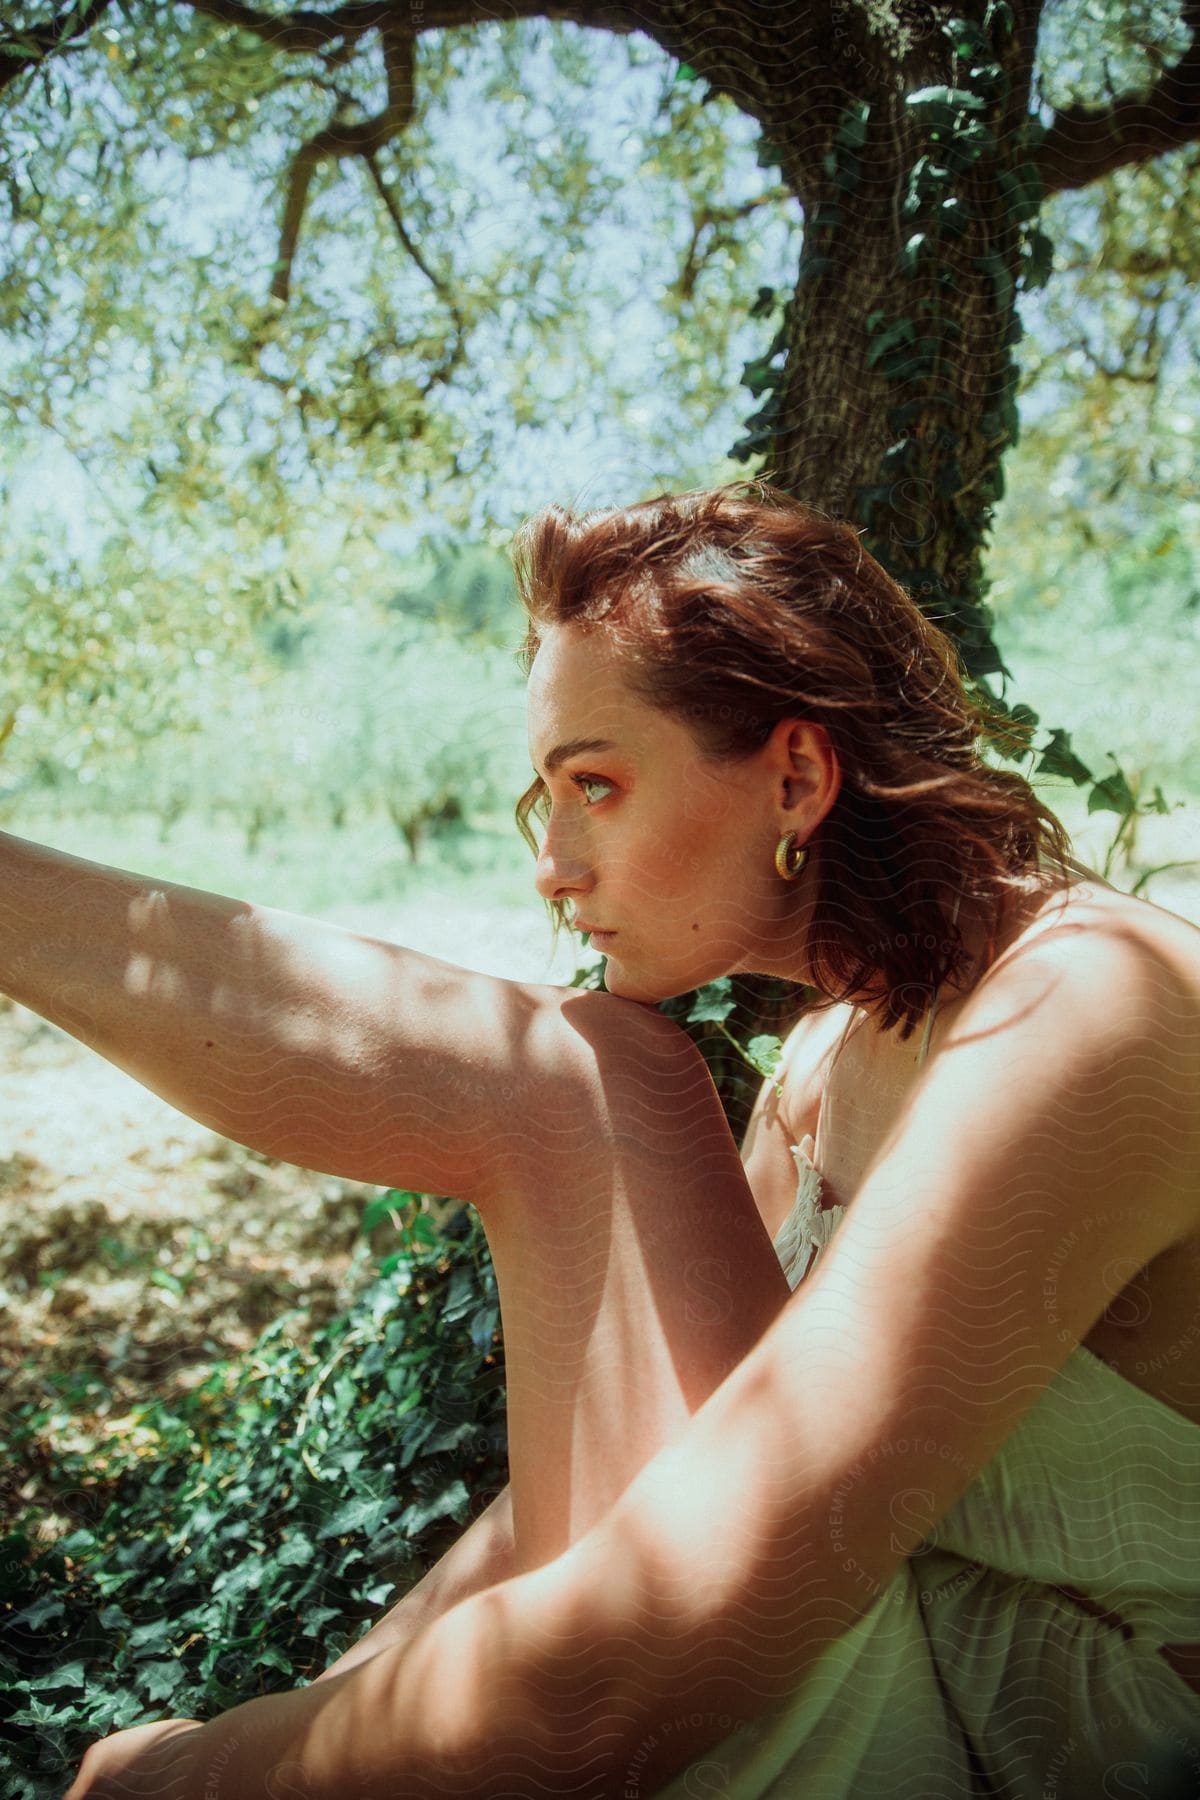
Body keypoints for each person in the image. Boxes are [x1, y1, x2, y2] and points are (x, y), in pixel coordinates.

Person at [3, 479, 1191, 1799]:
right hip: (867, 1684)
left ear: (794, 776)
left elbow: (612, 1679)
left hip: (1041, 1754)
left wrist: (192, 1775)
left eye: (597, 787)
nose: (552, 864)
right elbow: (636, 1494)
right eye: (546, 800)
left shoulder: (1090, 1011)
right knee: (603, 1078)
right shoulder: (821, 1064)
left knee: (586, 1083)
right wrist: (330, 1702)